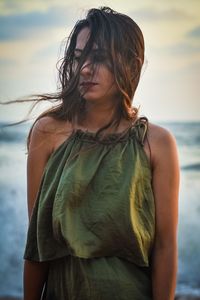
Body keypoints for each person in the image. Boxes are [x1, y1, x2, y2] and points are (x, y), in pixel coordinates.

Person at [23, 6, 180, 300]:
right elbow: (37, 243)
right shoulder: (47, 133)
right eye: (79, 57)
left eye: (99, 57)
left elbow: (165, 248)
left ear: (131, 65)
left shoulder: (157, 143)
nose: (84, 68)